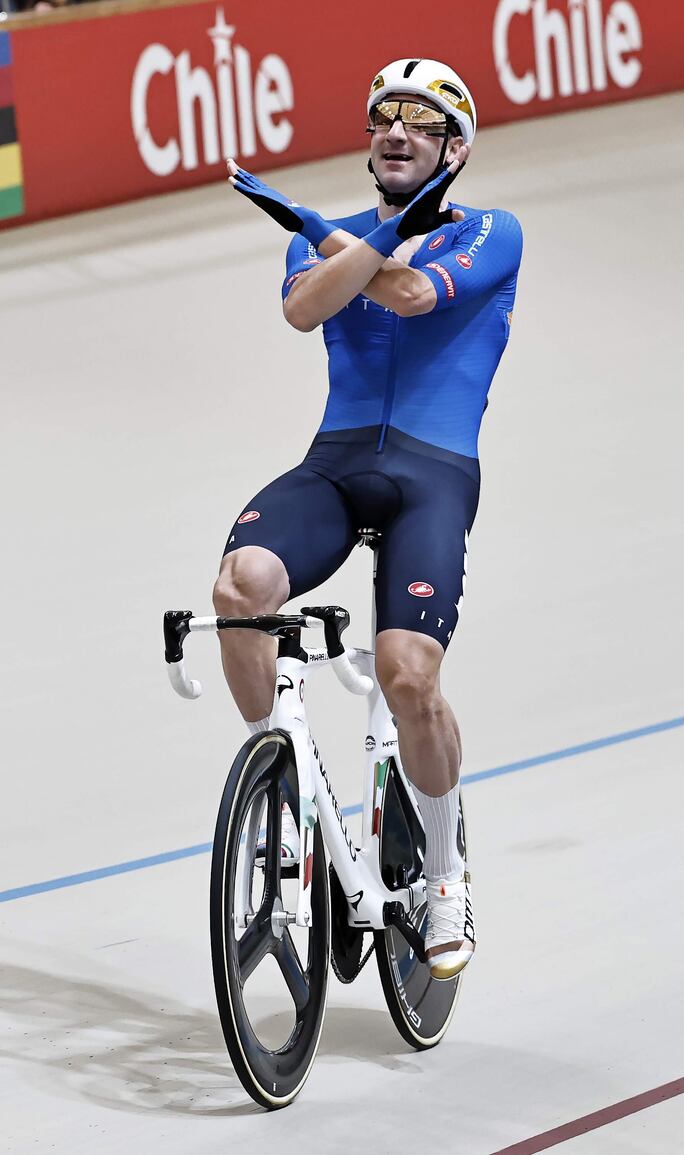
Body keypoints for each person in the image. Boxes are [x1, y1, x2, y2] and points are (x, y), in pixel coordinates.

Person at [213, 58, 523, 980]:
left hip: (433, 476)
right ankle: (279, 790)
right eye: (384, 116)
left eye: (421, 122)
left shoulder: (492, 231)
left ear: (455, 150)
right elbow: (305, 309)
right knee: (239, 586)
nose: (395, 131)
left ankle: (446, 869)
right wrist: (345, 239)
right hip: (337, 464)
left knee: (408, 676)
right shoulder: (329, 238)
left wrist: (338, 237)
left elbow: (416, 295)